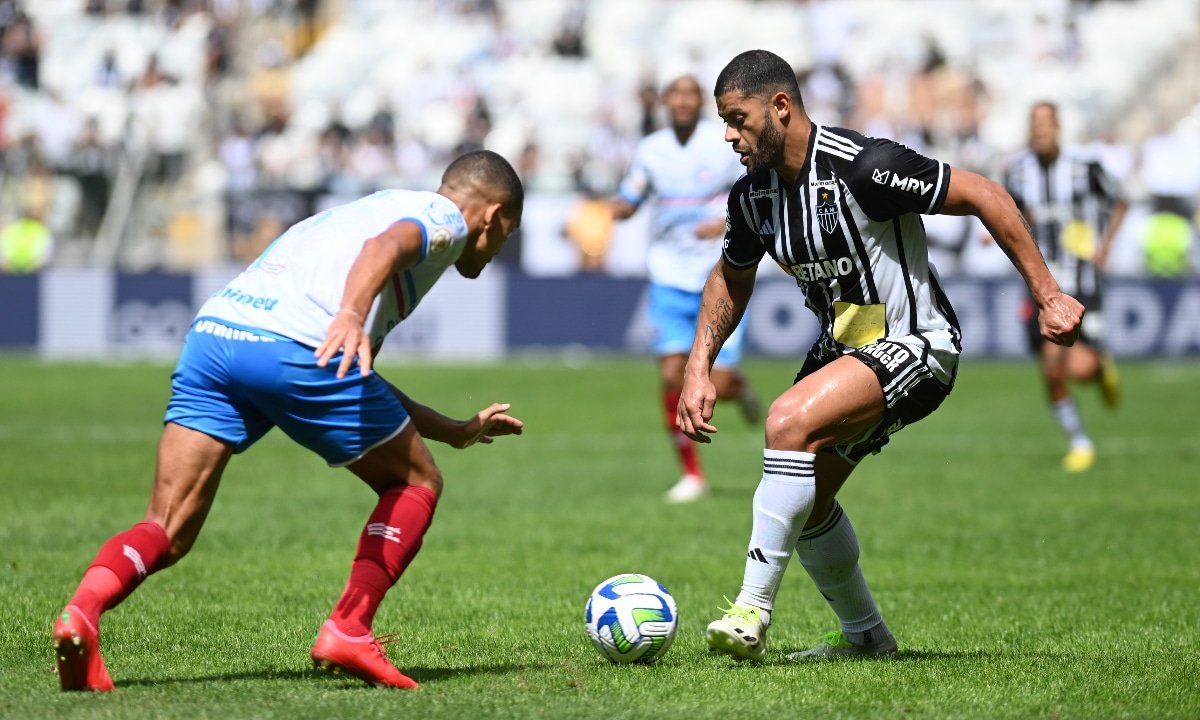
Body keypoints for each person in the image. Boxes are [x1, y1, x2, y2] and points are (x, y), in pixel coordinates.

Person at [52, 150, 525, 692]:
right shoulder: (442, 218)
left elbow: (352, 369)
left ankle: (82, 614)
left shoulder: (358, 213)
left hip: (217, 335)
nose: (497, 251)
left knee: (167, 525)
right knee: (417, 481)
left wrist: (455, 428)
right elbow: (384, 250)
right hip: (292, 348)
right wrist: (350, 313)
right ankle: (349, 627)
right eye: (506, 234)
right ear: (491, 215)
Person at [676, 50, 1083, 662]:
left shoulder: (867, 167)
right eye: (724, 122)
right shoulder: (753, 198)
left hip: (919, 345)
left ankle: (750, 611)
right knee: (806, 506)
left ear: (780, 107)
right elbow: (730, 277)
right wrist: (698, 366)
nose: (729, 135)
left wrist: (1048, 295)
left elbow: (985, 194)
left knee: (785, 421)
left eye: (738, 119)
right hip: (847, 347)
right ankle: (867, 637)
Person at [611, 74, 760, 504]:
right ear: (665, 102)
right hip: (668, 277)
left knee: (722, 381)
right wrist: (611, 210)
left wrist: (726, 222)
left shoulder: (724, 145)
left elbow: (754, 191)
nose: (681, 102)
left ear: (701, 102)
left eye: (689, 95)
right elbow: (630, 198)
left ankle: (743, 391)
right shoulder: (651, 150)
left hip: (721, 275)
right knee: (672, 377)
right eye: (674, 94)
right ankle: (692, 474)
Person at [1002, 102, 1128, 472]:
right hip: (1043, 285)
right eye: (1034, 124)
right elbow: (1006, 212)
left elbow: (1120, 200)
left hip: (1083, 280)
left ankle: (1102, 371)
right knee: (1052, 365)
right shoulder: (1018, 171)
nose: (1040, 131)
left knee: (1082, 368)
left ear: (1058, 127)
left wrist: (1105, 247)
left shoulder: (1085, 166)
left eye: (1046, 124)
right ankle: (1079, 442)